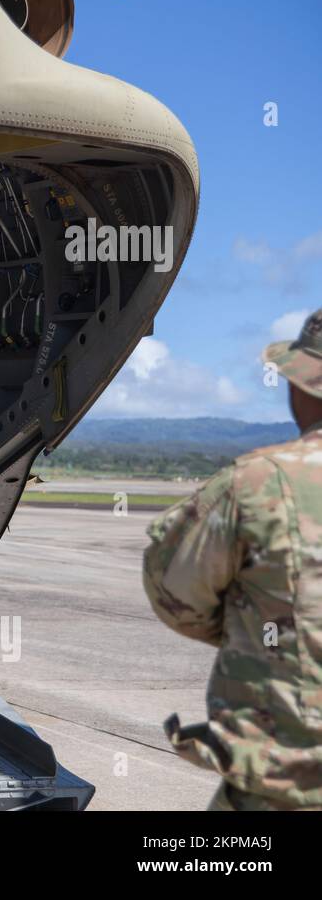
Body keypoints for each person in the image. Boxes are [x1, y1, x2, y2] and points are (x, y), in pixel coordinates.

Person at [143, 309, 322, 811]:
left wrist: (265, 627)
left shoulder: (256, 485)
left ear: (303, 387)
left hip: (286, 784)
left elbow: (176, 594)